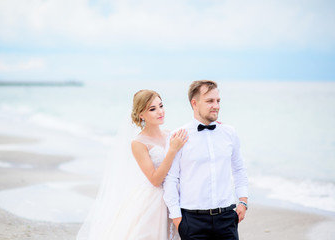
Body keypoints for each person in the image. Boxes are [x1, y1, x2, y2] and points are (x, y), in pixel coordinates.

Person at [76, 89, 188, 240]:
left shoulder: (170, 134)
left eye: (161, 106)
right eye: (152, 109)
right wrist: (172, 151)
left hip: (175, 193)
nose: (160, 112)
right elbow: (155, 180)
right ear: (141, 114)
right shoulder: (138, 143)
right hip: (155, 201)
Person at [163, 80, 248, 240]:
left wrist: (243, 201)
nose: (216, 105)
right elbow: (171, 179)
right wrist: (177, 218)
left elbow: (239, 168)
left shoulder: (229, 133)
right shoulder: (178, 136)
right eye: (209, 101)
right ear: (194, 103)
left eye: (218, 101)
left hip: (227, 218)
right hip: (192, 222)